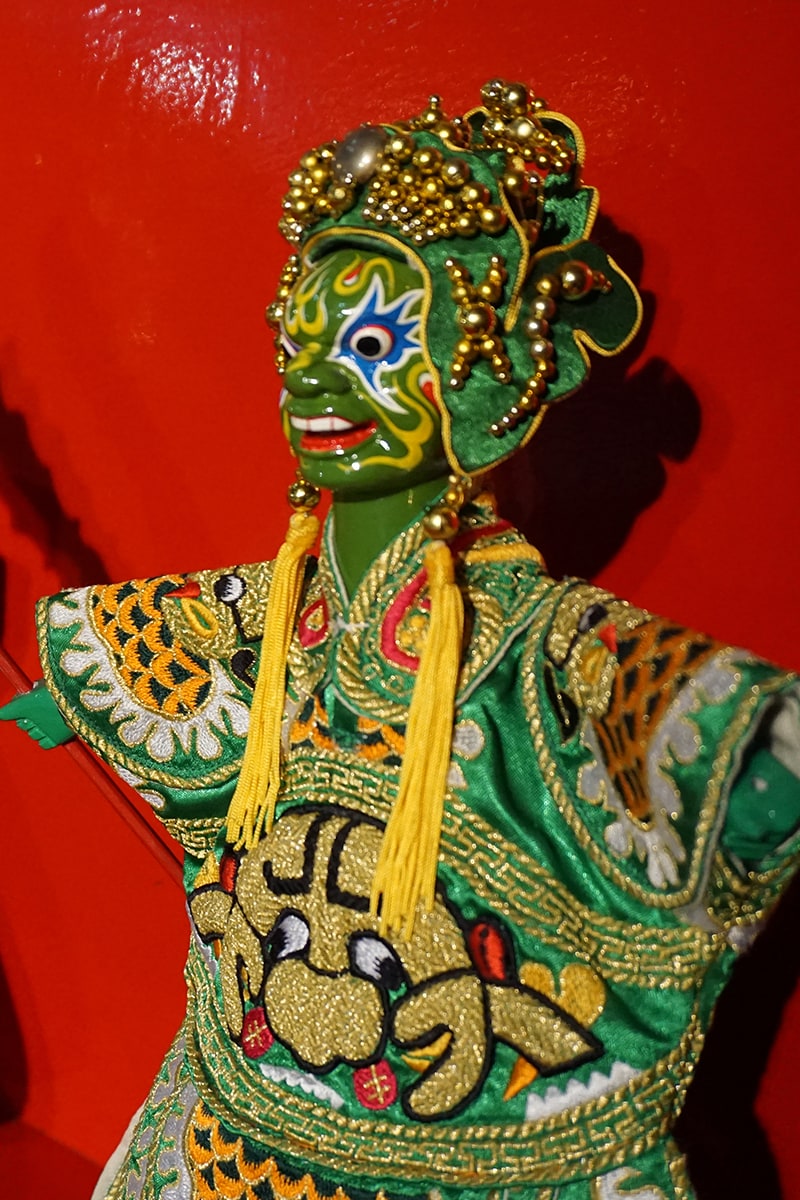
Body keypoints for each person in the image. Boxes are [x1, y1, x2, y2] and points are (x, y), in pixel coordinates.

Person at [2, 79, 800, 1200]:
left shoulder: (529, 641)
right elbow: (229, 619)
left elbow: (670, 710)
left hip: (435, 1102)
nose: (313, 376)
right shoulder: (295, 604)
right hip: (239, 1090)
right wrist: (85, 691)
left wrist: (757, 741)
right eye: (302, 338)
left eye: (372, 343)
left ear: (483, 378)